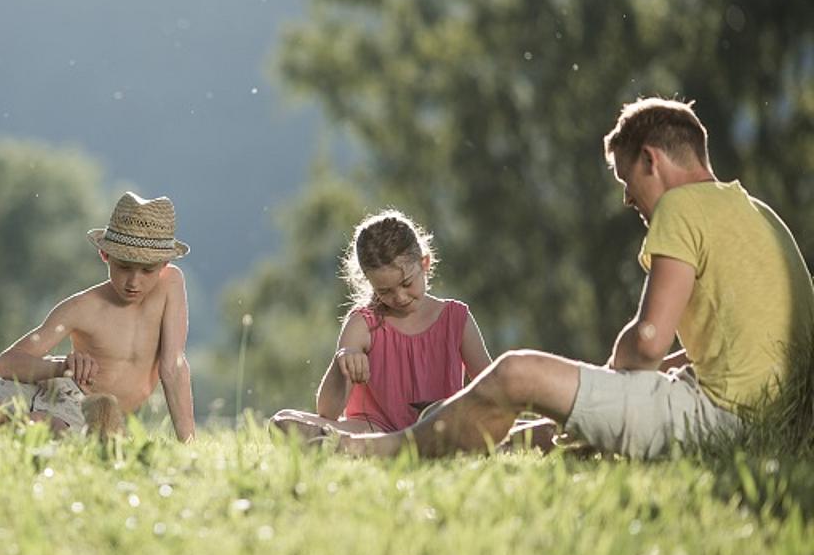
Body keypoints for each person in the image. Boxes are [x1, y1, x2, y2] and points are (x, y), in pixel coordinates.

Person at [324, 97, 814, 459]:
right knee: (547, 431)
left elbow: (646, 344)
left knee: (519, 372)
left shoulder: (682, 206)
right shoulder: (758, 215)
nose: (628, 199)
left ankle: (380, 451)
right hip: (778, 421)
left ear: (652, 160)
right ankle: (390, 441)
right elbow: (748, 343)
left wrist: (614, 371)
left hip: (722, 420)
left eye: (627, 180)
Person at [0, 192, 197, 442]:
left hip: (87, 410)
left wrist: (188, 444)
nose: (134, 281)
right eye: (124, 267)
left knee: (38, 428)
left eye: (147, 270)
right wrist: (60, 366)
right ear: (105, 255)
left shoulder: (172, 285)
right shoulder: (81, 308)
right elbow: (6, 363)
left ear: (165, 264)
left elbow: (173, 367)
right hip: (49, 384)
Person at [269, 210, 493, 440]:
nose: (400, 297)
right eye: (384, 291)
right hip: (374, 430)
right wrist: (343, 360)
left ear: (424, 263)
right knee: (283, 420)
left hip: (441, 427)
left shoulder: (456, 318)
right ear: (369, 282)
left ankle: (351, 445)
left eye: (407, 283)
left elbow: (492, 388)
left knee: (515, 426)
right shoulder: (363, 324)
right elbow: (328, 412)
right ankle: (368, 444)